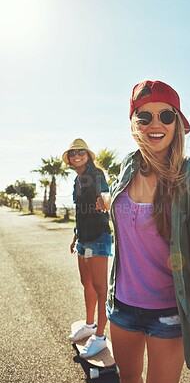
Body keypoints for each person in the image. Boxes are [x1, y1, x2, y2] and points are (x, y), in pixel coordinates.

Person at [96, 80, 190, 383]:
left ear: (178, 124)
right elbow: (120, 212)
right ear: (133, 123)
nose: (156, 124)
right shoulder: (127, 167)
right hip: (122, 306)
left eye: (166, 116)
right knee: (127, 381)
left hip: (169, 313)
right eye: (145, 117)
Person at [62, 138, 112, 357]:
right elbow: (80, 212)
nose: (76, 155)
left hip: (98, 238)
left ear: (88, 154)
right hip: (83, 239)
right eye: (72, 153)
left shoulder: (96, 174)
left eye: (80, 151)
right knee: (87, 284)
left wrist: (104, 199)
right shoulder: (78, 179)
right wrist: (75, 235)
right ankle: (90, 325)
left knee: (101, 289)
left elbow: (105, 192)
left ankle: (100, 336)